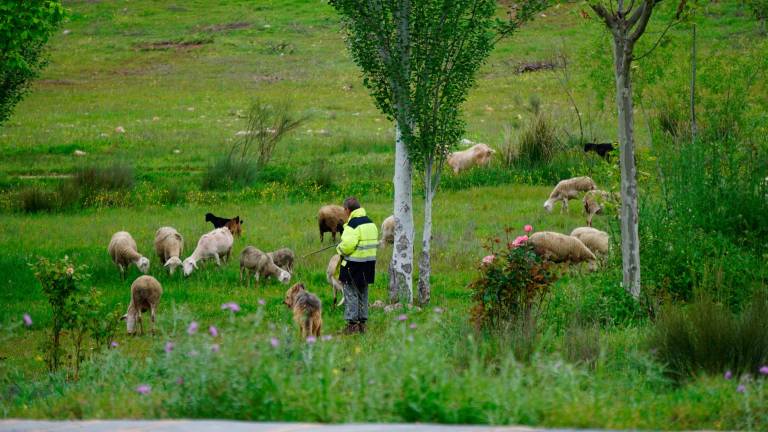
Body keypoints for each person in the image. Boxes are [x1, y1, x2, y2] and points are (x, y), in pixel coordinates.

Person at [335, 196, 378, 334]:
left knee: (351, 293)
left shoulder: (352, 225)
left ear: (347, 209)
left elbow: (347, 246)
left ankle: (352, 325)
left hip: (353, 266)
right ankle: (362, 324)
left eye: (344, 210)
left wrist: (339, 249)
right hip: (369, 265)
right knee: (363, 293)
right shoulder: (371, 223)